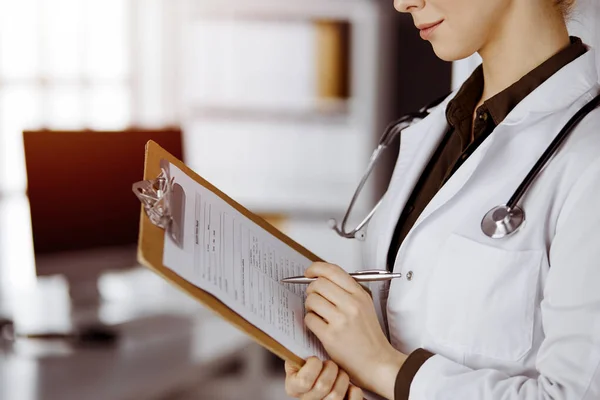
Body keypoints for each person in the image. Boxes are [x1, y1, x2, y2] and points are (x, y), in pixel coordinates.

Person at [284, 0, 600, 398]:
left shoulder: (590, 158)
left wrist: (381, 367)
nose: (402, 3)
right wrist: (350, 387)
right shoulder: (433, 128)